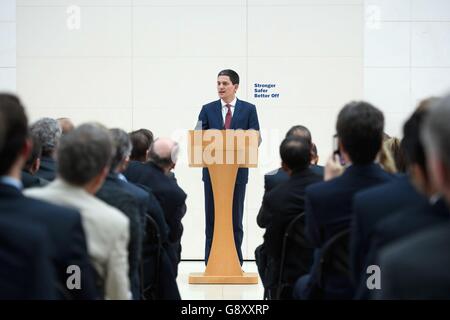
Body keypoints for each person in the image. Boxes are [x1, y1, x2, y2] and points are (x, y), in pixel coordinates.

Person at [294, 101, 393, 299]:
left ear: (341, 145)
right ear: (380, 144)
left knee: (301, 286)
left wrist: (329, 183)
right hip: (384, 284)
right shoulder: (400, 188)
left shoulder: (319, 194)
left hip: (337, 288)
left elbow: (315, 241)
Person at [26, 123, 131, 300]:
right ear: (103, 172)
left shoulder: (25, 201)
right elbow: (117, 294)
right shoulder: (113, 223)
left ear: (58, 159)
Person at [197, 69, 260, 265]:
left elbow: (257, 138)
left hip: (238, 173)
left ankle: (236, 262)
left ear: (236, 86)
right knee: (212, 219)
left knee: (235, 218)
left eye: (225, 83)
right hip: (213, 174)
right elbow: (197, 137)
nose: (221, 87)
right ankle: (210, 262)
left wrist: (246, 137)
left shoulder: (249, 109)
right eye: (218, 83)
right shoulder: (207, 109)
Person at [256, 136, 322, 298]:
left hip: (288, 274)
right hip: (324, 265)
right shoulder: (328, 188)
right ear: (311, 159)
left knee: (263, 252)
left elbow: (263, 225)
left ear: (283, 165)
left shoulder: (275, 196)